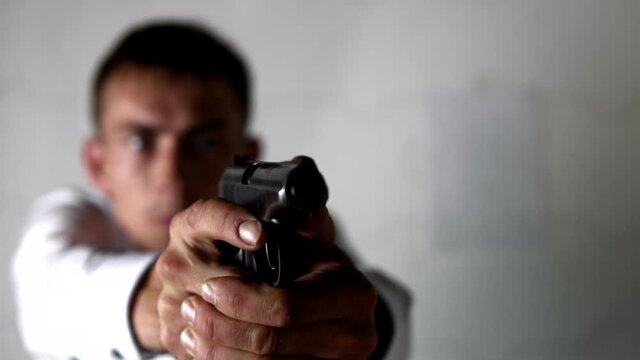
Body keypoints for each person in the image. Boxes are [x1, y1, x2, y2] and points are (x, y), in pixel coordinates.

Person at [12, 21, 411, 360]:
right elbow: (47, 298)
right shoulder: (71, 219)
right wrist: (168, 306)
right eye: (140, 141)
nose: (172, 174)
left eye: (203, 143)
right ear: (98, 164)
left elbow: (381, 304)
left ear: (248, 157)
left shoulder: (285, 230)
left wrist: (361, 326)